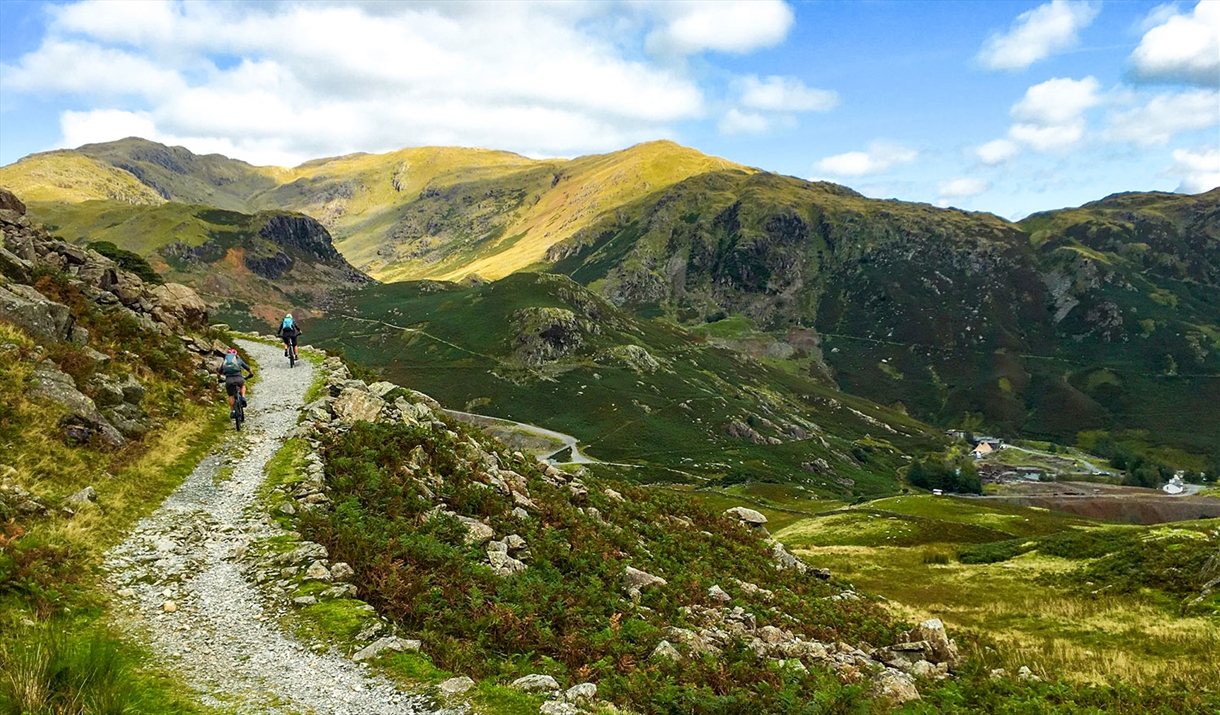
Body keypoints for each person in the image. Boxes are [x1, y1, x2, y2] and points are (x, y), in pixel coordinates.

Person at [217, 348, 253, 417]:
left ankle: (232, 411)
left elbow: (218, 374)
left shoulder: (225, 363)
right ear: (235, 355)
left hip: (229, 380)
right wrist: (251, 375)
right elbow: (249, 369)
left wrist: (220, 379)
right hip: (239, 378)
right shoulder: (239, 361)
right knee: (242, 386)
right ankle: (243, 397)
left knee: (231, 395)